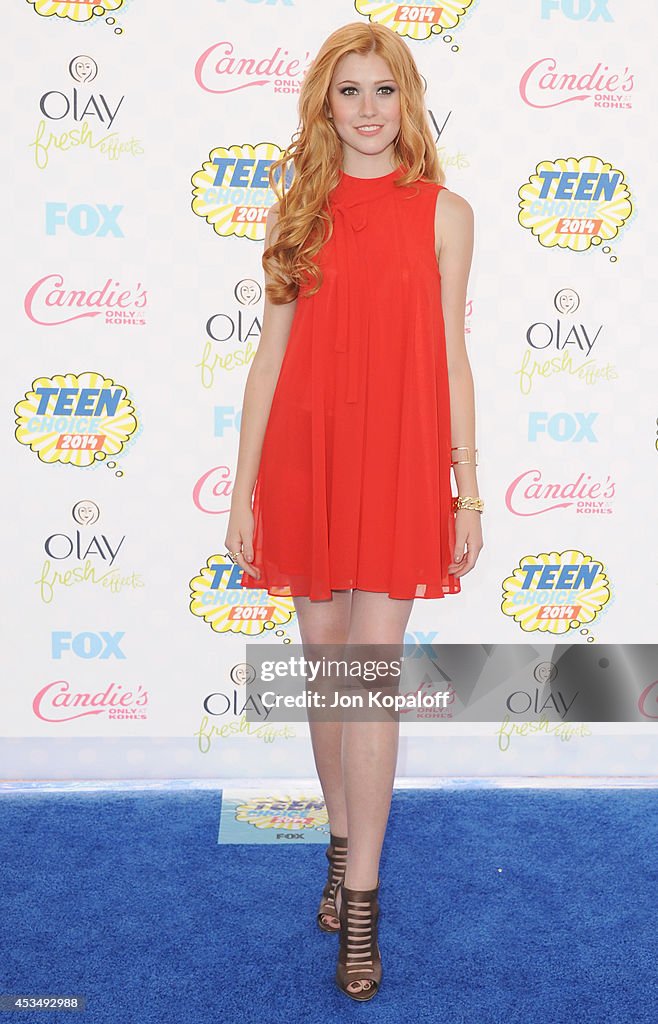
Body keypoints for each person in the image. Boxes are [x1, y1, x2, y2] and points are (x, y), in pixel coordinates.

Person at [224, 21, 483, 1002]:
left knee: (370, 678)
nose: (368, 108)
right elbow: (267, 361)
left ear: (406, 100)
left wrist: (467, 482)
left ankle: (362, 905)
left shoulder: (447, 214)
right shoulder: (297, 211)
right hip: (307, 459)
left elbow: (452, 359)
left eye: (383, 90)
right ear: (324, 107)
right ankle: (338, 848)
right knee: (327, 676)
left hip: (399, 464)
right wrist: (246, 488)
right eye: (349, 92)